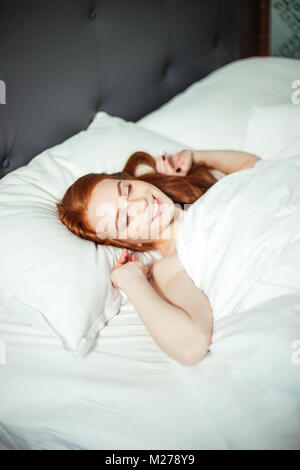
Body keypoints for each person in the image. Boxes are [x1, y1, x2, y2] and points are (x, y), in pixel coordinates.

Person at [56, 149, 261, 366]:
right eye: (125, 219)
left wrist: (196, 158)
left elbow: (257, 169)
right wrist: (132, 282)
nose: (140, 204)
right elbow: (191, 347)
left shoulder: (204, 194)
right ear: (128, 242)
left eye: (127, 190)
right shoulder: (170, 267)